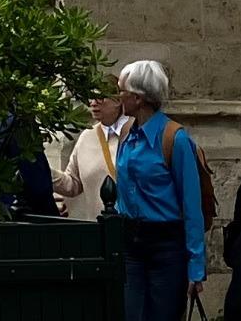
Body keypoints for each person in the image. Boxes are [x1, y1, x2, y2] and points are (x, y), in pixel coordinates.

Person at [111, 59, 205, 321]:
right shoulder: (127, 132)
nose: (119, 98)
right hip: (131, 241)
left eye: (122, 92)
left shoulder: (175, 138)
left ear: (138, 98)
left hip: (166, 245)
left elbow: (191, 205)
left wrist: (195, 267)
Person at [50, 91, 126, 220]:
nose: (93, 103)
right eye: (91, 97)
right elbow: (72, 184)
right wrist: (45, 171)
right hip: (98, 228)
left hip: (133, 228)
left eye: (100, 98)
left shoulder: (136, 133)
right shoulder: (87, 136)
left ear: (118, 101)